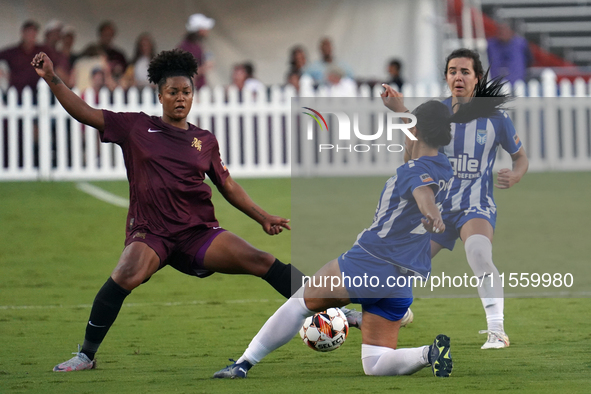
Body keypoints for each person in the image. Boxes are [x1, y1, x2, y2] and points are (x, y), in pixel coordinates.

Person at [31, 49, 316, 372]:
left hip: (197, 232)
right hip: (151, 232)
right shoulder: (136, 127)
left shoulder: (203, 140)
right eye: (173, 92)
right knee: (126, 274)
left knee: (261, 260)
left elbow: (227, 185)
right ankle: (85, 355)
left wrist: (262, 217)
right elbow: (85, 112)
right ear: (160, 95)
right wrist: (53, 78)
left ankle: (330, 309)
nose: (181, 98)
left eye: (186, 92)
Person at [212, 82, 510, 380]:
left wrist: (431, 215)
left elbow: (423, 193)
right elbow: (419, 152)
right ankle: (428, 353)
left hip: (370, 261)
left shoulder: (413, 172)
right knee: (375, 364)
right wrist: (401, 111)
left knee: (298, 304)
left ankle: (242, 364)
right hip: (402, 279)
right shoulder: (443, 164)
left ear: (417, 131)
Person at [430, 48, 529, 349]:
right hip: (437, 210)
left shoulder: (496, 120)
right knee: (403, 263)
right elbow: (413, 159)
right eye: (452, 71)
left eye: (465, 71)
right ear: (446, 76)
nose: (458, 77)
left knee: (479, 255)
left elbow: (520, 157)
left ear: (478, 77)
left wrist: (515, 174)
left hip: (476, 206)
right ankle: (398, 310)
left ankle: (497, 330)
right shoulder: (434, 115)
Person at [0, 20, 51, 98]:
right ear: (23, 33)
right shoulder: (13, 52)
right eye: (28, 32)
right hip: (16, 93)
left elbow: (55, 63)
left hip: (37, 93)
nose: (31, 35)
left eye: (33, 32)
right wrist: (3, 73)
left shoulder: (42, 51)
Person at [487, 20, 532, 85]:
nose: (502, 33)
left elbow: (529, 60)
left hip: (517, 83)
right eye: (500, 30)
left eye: (505, 30)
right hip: (495, 83)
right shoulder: (490, 45)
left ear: (511, 31)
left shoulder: (521, 44)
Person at [178, 13, 215, 90]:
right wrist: (205, 67)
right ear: (200, 30)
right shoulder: (189, 47)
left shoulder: (194, 45)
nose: (207, 31)